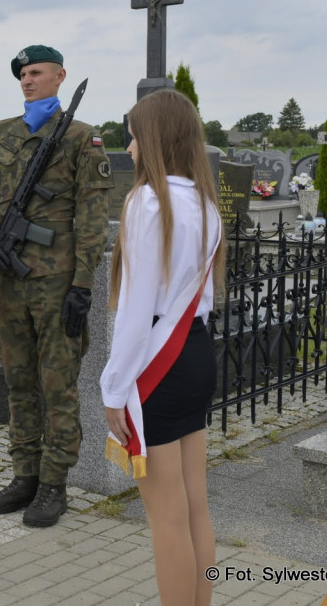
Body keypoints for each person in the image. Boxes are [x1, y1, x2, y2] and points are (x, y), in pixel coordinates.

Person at [0, 45, 113, 527]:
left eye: (36, 72)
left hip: (58, 284)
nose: (27, 80)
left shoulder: (82, 139)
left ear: (60, 76)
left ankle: (53, 484)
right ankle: (24, 475)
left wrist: (82, 286)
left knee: (57, 386)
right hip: (11, 284)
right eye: (22, 73)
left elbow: (91, 218)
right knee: (18, 383)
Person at [100, 88, 226, 606]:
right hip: (194, 352)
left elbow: (134, 311)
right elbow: (202, 298)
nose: (128, 147)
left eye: (132, 136)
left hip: (157, 359)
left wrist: (113, 387)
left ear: (152, 139)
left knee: (166, 520)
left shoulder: (147, 201)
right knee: (195, 506)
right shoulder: (204, 201)